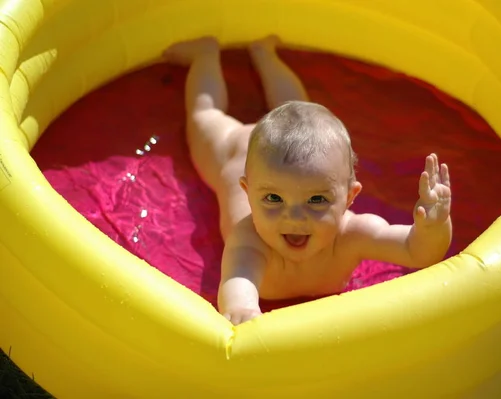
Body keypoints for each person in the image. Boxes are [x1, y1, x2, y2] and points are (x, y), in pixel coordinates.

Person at [163, 35, 452, 325]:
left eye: (316, 200)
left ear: (350, 197)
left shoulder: (353, 234)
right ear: (247, 192)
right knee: (204, 116)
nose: (294, 216)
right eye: (273, 198)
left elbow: (417, 251)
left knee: (298, 111)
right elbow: (237, 282)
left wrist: (432, 227)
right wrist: (243, 309)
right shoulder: (249, 240)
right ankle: (205, 55)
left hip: (281, 160)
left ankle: (265, 52)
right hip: (235, 152)